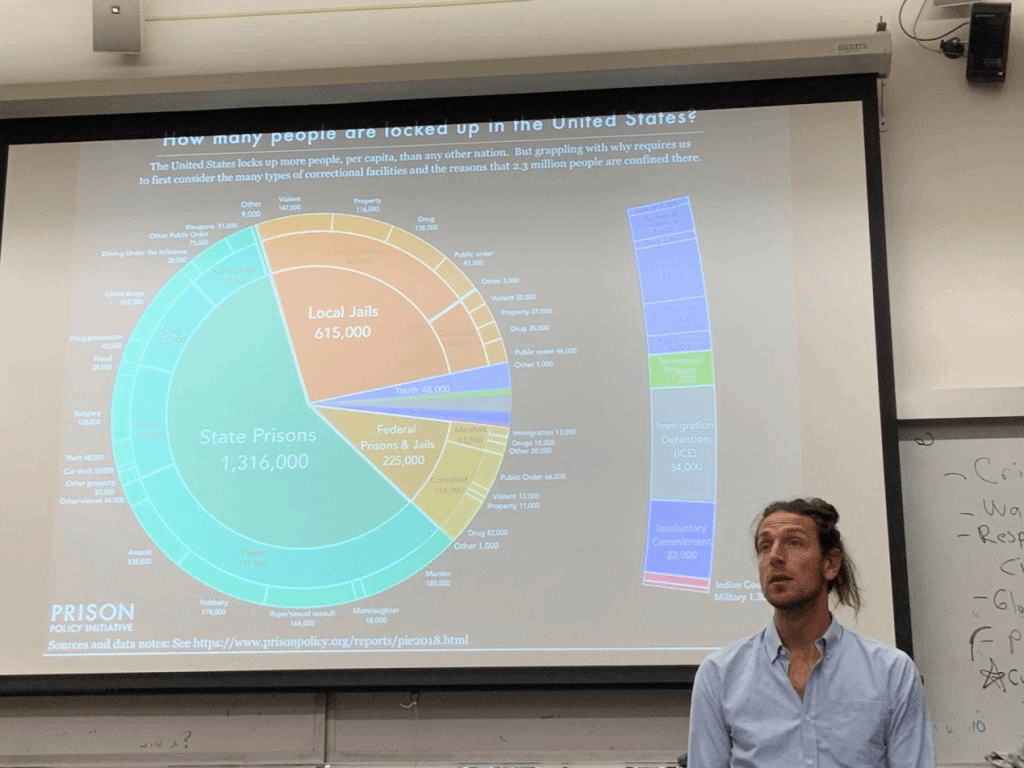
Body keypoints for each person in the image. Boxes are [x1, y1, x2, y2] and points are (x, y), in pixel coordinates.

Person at [686, 497, 934, 768]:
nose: (775, 557)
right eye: (764, 546)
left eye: (793, 542)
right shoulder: (720, 675)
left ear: (830, 564)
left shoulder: (891, 672)